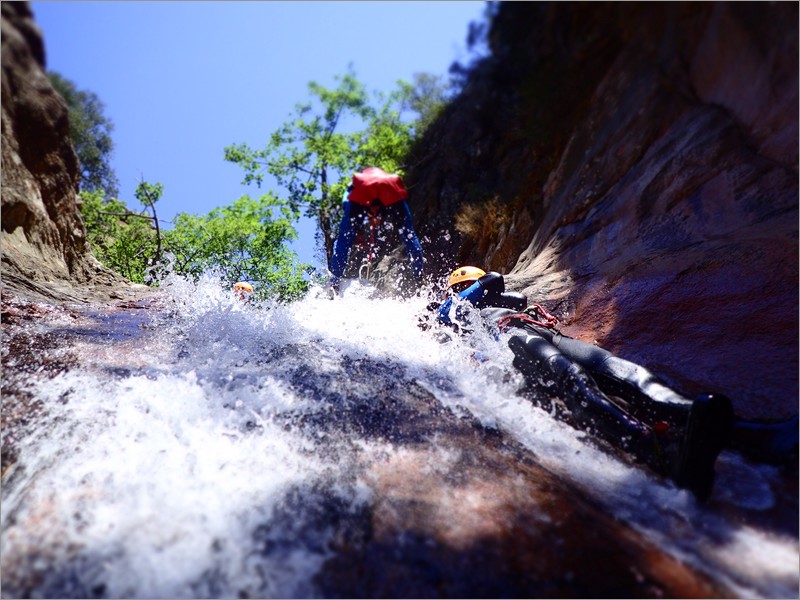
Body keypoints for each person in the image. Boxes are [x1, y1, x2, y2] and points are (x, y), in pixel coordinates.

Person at [434, 266, 798, 501]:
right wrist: (483, 283)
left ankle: (747, 434)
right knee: (570, 378)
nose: (475, 286)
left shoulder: (512, 304)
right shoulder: (452, 308)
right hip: (509, 342)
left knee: (623, 372)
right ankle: (660, 454)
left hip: (535, 334)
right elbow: (491, 281)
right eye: (468, 283)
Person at [328, 167, 424, 292]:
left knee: (343, 243)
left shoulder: (354, 189)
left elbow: (343, 244)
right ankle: (419, 277)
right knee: (410, 236)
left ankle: (334, 284)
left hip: (365, 193)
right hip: (391, 190)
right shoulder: (386, 181)